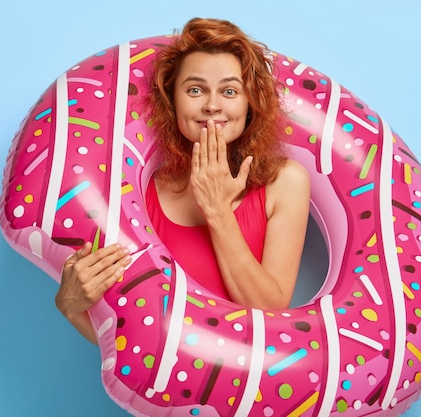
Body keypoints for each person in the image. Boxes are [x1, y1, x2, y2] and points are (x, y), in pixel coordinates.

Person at [55, 18, 310, 345]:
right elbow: (135, 339)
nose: (212, 105)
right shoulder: (139, 196)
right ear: (173, 102)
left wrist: (217, 211)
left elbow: (269, 311)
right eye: (195, 90)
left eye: (229, 91)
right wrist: (71, 308)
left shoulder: (284, 181)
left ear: (250, 104)